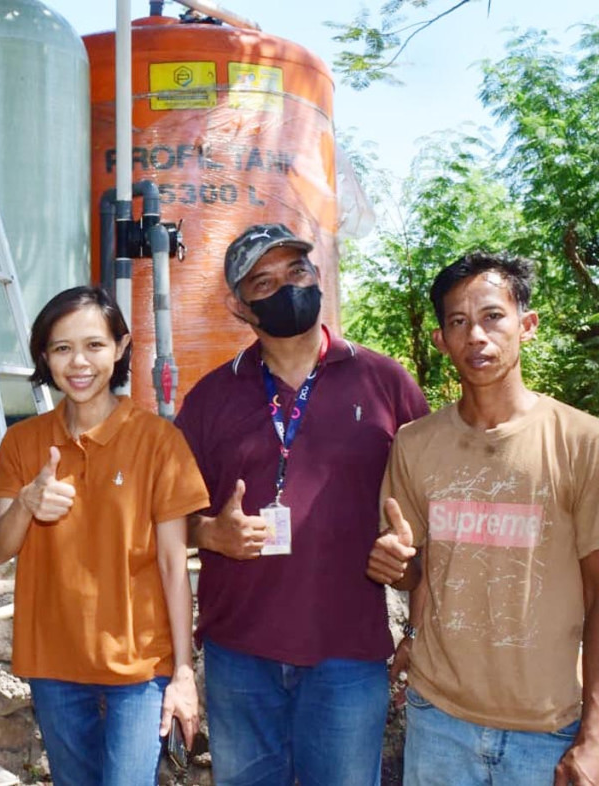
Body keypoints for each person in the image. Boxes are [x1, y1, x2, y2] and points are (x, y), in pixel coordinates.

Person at [366, 252, 599, 786]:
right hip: (439, 720)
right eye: (458, 321)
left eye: (493, 315)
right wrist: (394, 563)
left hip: (547, 730)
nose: (476, 336)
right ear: (441, 340)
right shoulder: (414, 443)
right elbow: (415, 573)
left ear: (527, 325)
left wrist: (596, 737)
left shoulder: (587, 442)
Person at [174, 223, 429, 786]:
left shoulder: (385, 382)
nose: (286, 287)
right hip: (239, 651)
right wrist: (209, 533)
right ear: (239, 307)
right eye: (263, 282)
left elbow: (429, 515)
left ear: (318, 278)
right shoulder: (211, 396)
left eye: (297, 272)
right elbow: (164, 520)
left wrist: (408, 564)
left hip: (348, 651)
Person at [0, 285, 210, 786]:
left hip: (140, 665)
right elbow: (0, 548)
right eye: (62, 348)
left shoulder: (159, 441)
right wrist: (26, 502)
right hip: (53, 662)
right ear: (44, 356)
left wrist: (183, 672)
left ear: (121, 347)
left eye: (94, 345)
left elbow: (176, 567)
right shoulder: (23, 441)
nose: (78, 362)